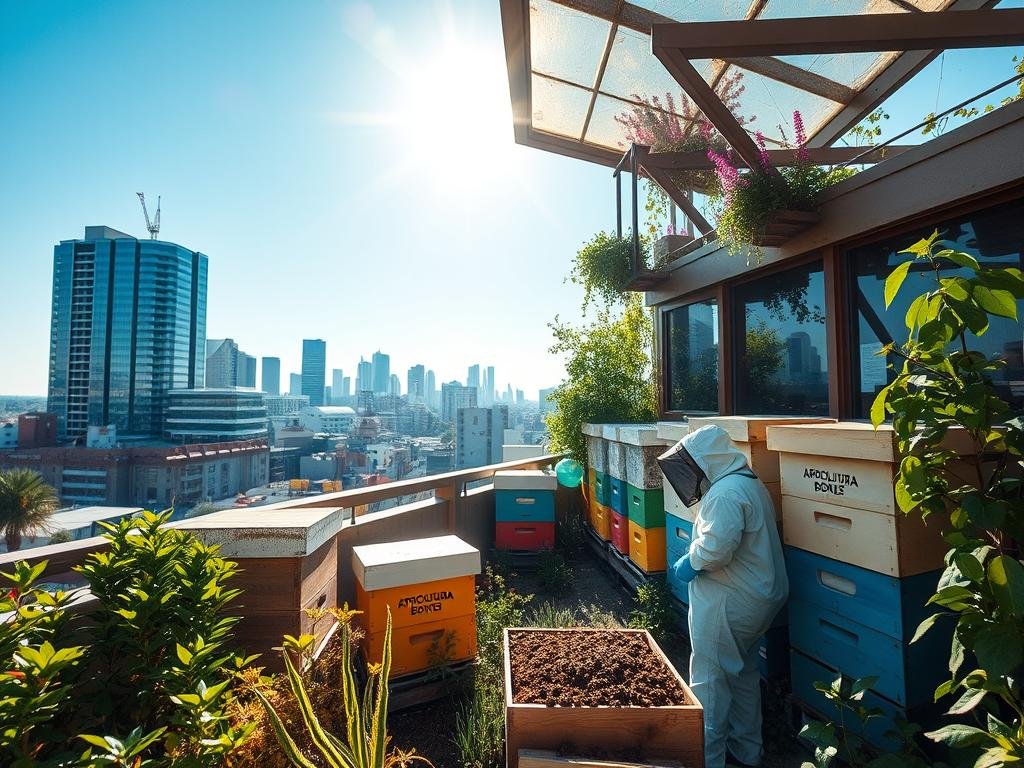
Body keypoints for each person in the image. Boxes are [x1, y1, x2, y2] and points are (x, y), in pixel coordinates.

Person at [659, 424, 788, 768]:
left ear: (707, 461)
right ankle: (747, 753)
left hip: (731, 601)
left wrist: (690, 561)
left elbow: (715, 551)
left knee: (709, 682)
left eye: (692, 466)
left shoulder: (726, 494)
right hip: (757, 598)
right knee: (743, 673)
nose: (691, 474)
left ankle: (706, 758)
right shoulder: (747, 483)